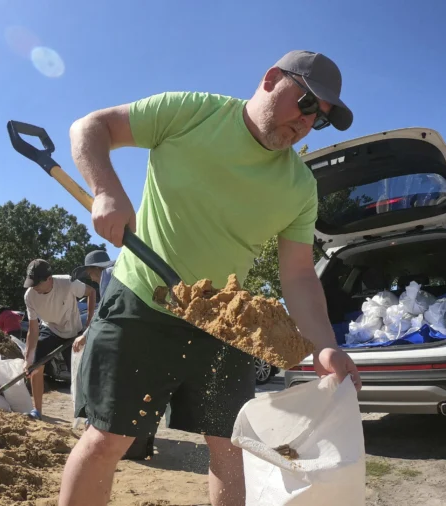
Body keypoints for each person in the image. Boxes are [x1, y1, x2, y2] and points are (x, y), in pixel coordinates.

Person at [61, 49, 362, 506]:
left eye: (317, 121)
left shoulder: (300, 186)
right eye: (305, 104)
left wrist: (325, 346)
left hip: (226, 324)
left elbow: (299, 275)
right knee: (108, 441)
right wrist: (106, 190)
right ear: (271, 79)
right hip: (142, 302)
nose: (305, 124)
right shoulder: (193, 113)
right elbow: (90, 127)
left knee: (233, 448)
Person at [22, 258, 96, 420]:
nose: (33, 287)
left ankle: (89, 415)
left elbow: (91, 292)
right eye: (31, 284)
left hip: (73, 331)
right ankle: (37, 410)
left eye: (36, 284)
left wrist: (90, 322)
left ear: (49, 279)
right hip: (50, 329)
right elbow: (33, 330)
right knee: (36, 366)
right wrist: (29, 359)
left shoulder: (67, 283)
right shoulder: (30, 296)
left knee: (80, 374)